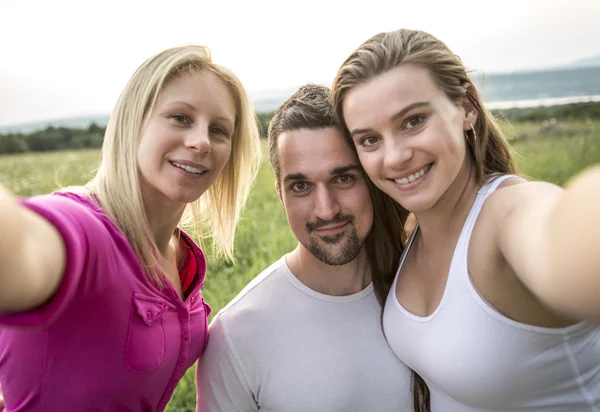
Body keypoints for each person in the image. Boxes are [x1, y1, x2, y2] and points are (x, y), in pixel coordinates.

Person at [332, 28, 600, 411]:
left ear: (467, 107)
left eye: (413, 121)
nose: (394, 157)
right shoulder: (411, 234)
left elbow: (563, 233)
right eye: (370, 140)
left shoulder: (508, 216)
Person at [0, 44, 261, 411]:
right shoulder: (85, 232)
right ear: (133, 122)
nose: (201, 141)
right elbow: (21, 247)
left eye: (219, 130)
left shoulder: (181, 255)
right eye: (180, 117)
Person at [195, 84, 415, 412]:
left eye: (343, 179)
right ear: (280, 194)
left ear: (371, 178)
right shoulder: (238, 335)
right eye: (301, 186)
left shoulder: (425, 285)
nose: (326, 210)